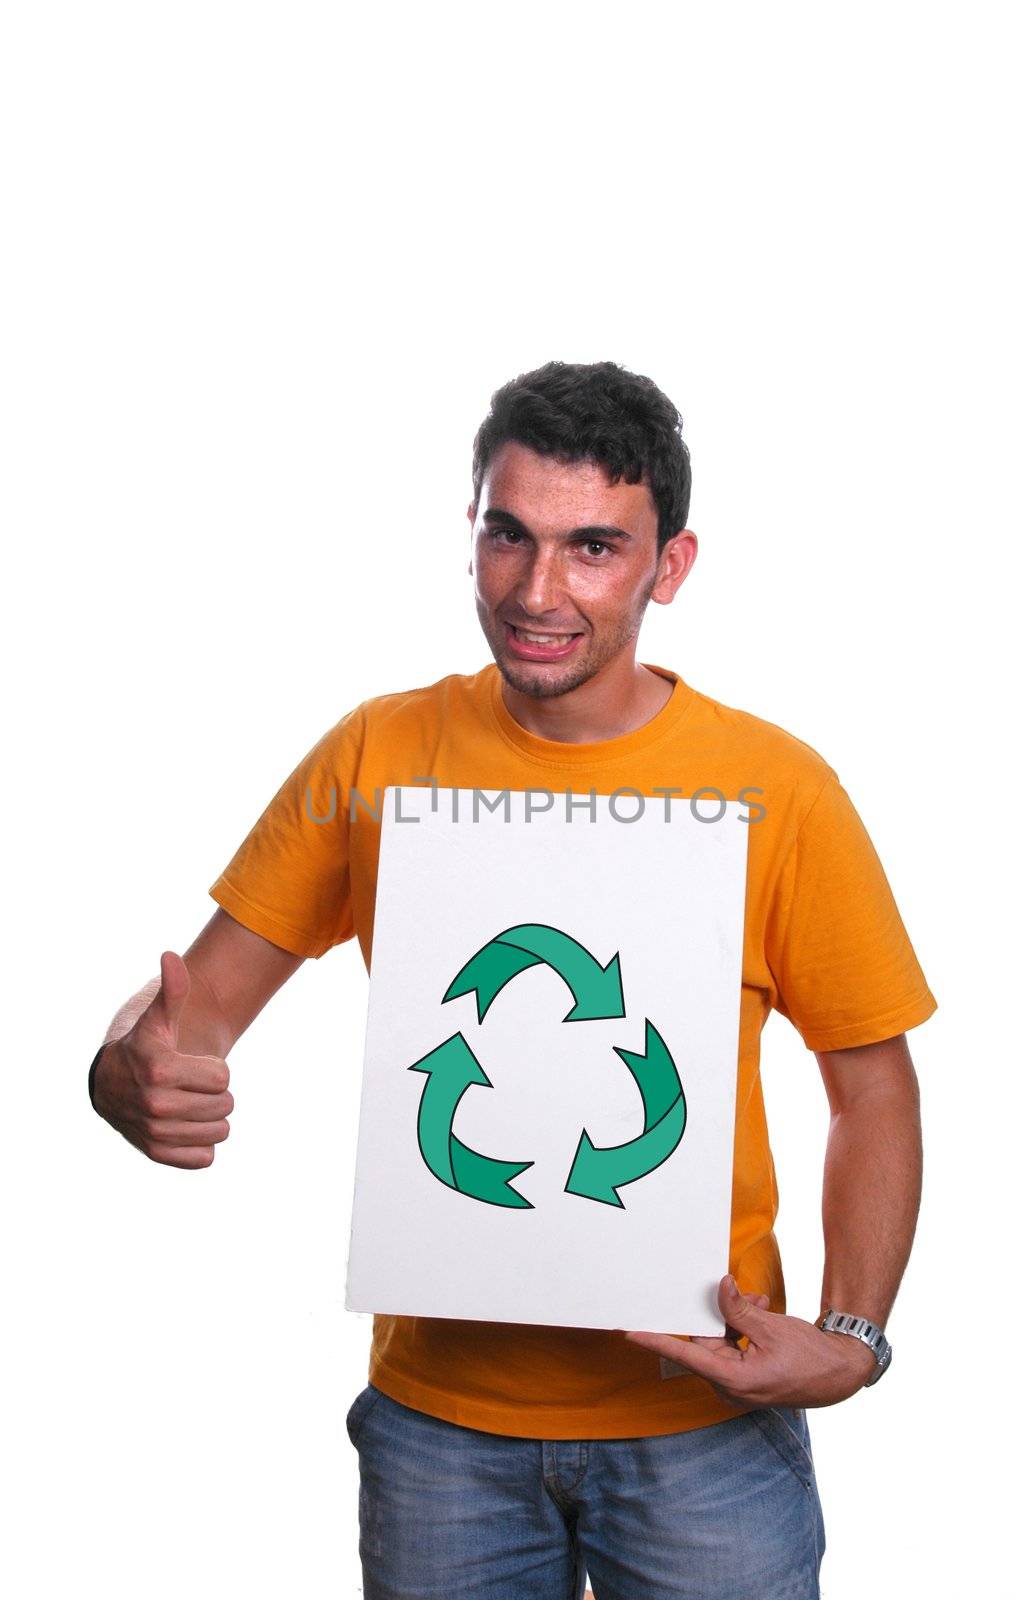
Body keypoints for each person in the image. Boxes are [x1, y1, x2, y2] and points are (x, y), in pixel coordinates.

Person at [90, 360, 936, 1599]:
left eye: (592, 546)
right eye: (508, 535)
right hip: (439, 1436)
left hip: (702, 1425)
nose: (538, 591)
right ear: (472, 531)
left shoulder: (780, 790)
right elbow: (188, 1009)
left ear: (670, 566)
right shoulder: (378, 752)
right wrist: (130, 1071)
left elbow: (872, 1089)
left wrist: (852, 1341)